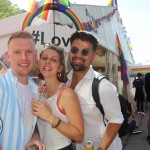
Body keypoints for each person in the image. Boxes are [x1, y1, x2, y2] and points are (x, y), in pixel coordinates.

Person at [66, 30, 124, 150]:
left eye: (85, 52)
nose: (78, 55)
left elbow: (116, 119)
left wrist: (101, 148)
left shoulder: (102, 85)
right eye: (74, 50)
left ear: (92, 57)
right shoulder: (64, 81)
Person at [31, 44, 84, 149]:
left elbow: (79, 135)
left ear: (60, 68)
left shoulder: (66, 94)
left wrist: (50, 117)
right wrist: (36, 137)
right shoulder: (40, 92)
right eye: (44, 58)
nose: (47, 62)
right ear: (39, 62)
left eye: (54, 60)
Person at [0, 31, 45, 150]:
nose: (24, 57)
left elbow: (28, 120)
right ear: (8, 56)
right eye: (17, 52)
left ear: (35, 54)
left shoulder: (35, 90)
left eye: (29, 52)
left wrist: (35, 136)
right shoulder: (1, 85)